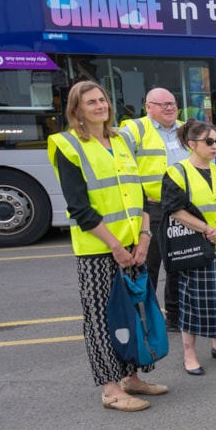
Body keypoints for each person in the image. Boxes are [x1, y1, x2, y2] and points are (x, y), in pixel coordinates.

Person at [48, 81, 167, 412]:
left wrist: (144, 237)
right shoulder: (67, 145)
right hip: (100, 249)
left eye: (102, 100)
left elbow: (139, 193)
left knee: (133, 314)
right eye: (91, 102)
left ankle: (131, 377)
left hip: (131, 244)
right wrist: (115, 245)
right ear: (77, 109)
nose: (100, 106)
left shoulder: (119, 140)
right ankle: (111, 389)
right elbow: (79, 207)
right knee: (101, 319)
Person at [162, 119, 216, 376]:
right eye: (209, 141)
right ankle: (189, 354)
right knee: (192, 303)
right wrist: (209, 230)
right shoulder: (178, 172)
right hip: (197, 248)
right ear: (191, 144)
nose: (215, 146)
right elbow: (174, 210)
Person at [120, 88, 189, 331]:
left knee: (178, 264)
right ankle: (144, 317)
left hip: (182, 208)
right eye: (162, 104)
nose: (169, 108)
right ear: (148, 107)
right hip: (151, 208)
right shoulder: (134, 130)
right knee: (147, 266)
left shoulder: (186, 128)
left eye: (172, 103)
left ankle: (174, 316)